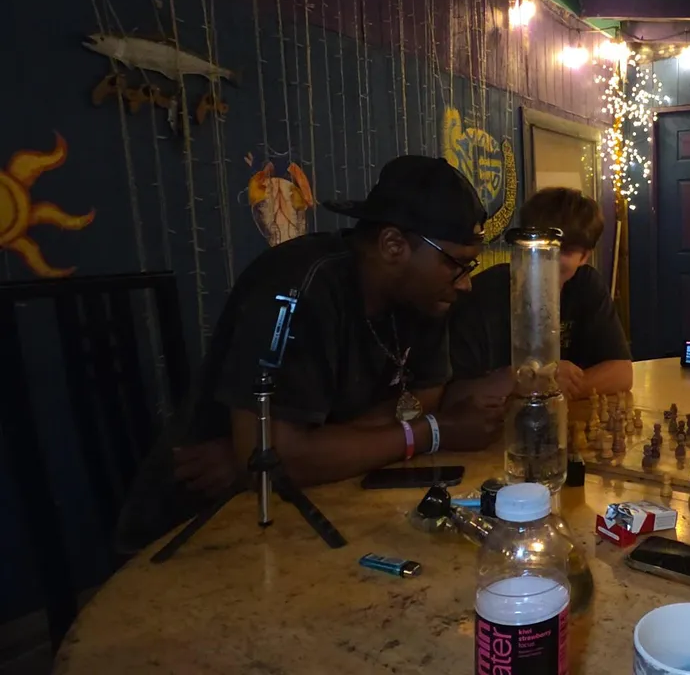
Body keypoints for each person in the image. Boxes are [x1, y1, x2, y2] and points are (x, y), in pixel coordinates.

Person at [116, 156, 504, 551]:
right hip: (197, 526)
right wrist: (430, 433)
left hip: (319, 504)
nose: (466, 284)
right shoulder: (300, 286)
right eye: (457, 264)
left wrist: (308, 450)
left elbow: (425, 398)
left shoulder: (427, 296)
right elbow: (270, 461)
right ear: (393, 246)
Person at [447, 187, 632, 402]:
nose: (550, 256)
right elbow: (452, 396)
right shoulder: (480, 294)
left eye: (564, 249)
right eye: (539, 245)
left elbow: (622, 373)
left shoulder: (587, 285)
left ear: (584, 257)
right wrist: (532, 381)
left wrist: (554, 388)